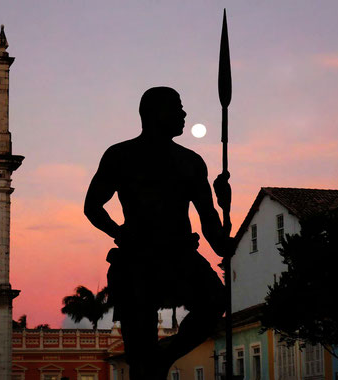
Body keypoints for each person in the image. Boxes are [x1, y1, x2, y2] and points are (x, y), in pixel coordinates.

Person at [84, 86, 233, 380]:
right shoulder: (120, 156)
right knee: (140, 357)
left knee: (216, 301)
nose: (183, 114)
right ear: (155, 113)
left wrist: (223, 203)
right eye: (177, 107)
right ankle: (156, 360)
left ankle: (164, 356)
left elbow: (216, 239)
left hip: (180, 257)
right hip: (137, 259)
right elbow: (92, 207)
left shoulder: (191, 162)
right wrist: (119, 233)